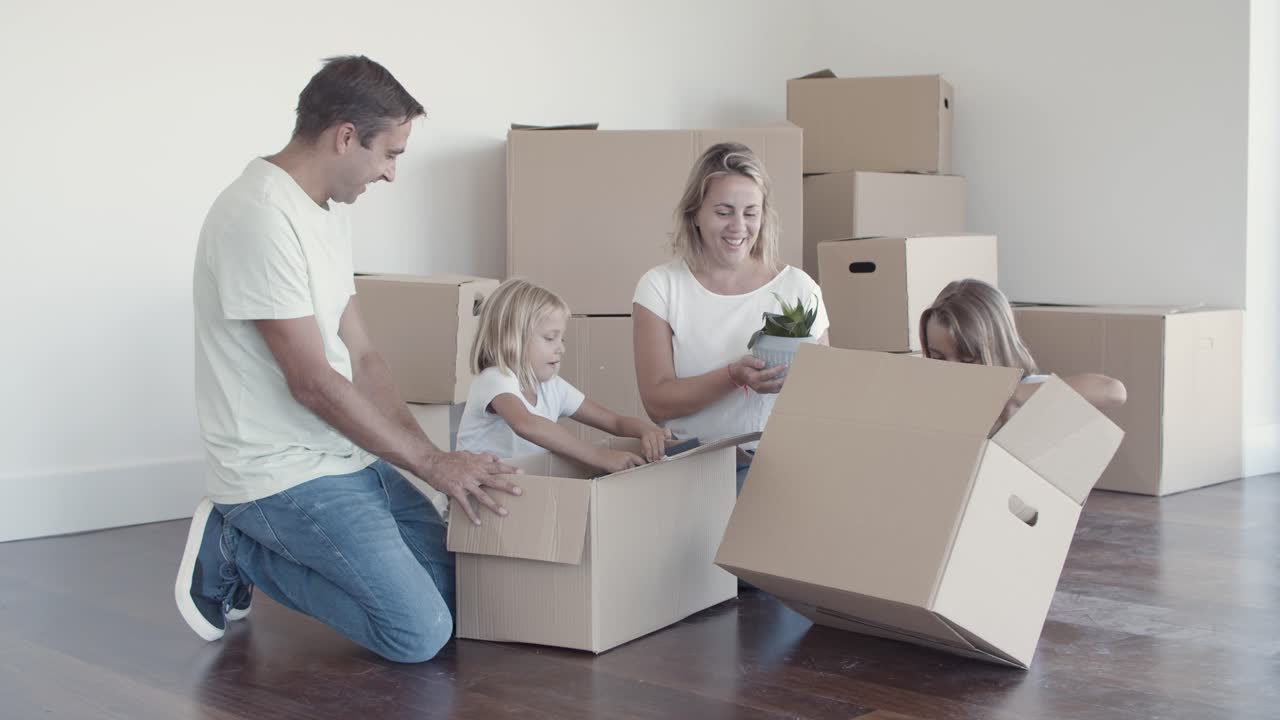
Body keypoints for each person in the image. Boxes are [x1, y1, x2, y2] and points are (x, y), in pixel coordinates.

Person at [175, 55, 520, 664]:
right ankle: (235, 543)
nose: (390, 174)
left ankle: (258, 544)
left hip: (345, 454)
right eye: (390, 154)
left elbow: (363, 357)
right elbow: (311, 382)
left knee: (468, 599)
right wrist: (430, 464)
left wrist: (431, 463)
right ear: (343, 137)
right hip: (278, 472)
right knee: (417, 634)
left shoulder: (325, 213)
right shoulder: (257, 216)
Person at [632, 143, 829, 492]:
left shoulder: (799, 288)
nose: (738, 227)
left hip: (780, 471)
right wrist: (733, 377)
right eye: (724, 212)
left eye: (750, 213)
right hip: (692, 472)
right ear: (695, 213)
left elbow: (828, 394)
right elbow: (656, 401)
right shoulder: (660, 287)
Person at [456, 279, 672, 473]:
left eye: (562, 339)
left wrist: (646, 430)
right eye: (550, 338)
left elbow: (614, 422)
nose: (561, 349)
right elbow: (527, 424)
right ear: (512, 339)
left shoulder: (551, 386)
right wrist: (599, 456)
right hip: (478, 499)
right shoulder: (494, 379)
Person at [920, 279, 1127, 430]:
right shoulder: (937, 401)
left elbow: (1113, 391)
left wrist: (1016, 395)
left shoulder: (1030, 391)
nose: (952, 369)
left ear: (998, 348)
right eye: (938, 358)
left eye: (966, 359)